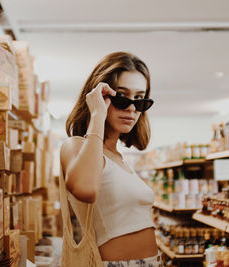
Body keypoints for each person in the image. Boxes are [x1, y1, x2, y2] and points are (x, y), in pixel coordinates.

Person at [60, 51, 162, 266]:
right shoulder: (76, 146)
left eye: (139, 99)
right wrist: (97, 115)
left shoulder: (119, 158)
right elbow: (85, 189)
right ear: (101, 96)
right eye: (122, 97)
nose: (132, 108)